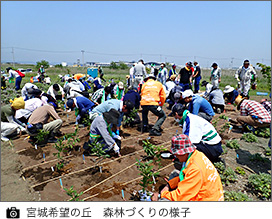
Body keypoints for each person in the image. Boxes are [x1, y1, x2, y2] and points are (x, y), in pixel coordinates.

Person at [152, 134, 224, 201]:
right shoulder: (197, 155)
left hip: (207, 200)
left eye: (176, 154)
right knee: (175, 174)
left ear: (184, 152)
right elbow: (187, 176)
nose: (175, 156)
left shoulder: (195, 168)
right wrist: (169, 185)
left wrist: (162, 195)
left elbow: (180, 197)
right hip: (211, 194)